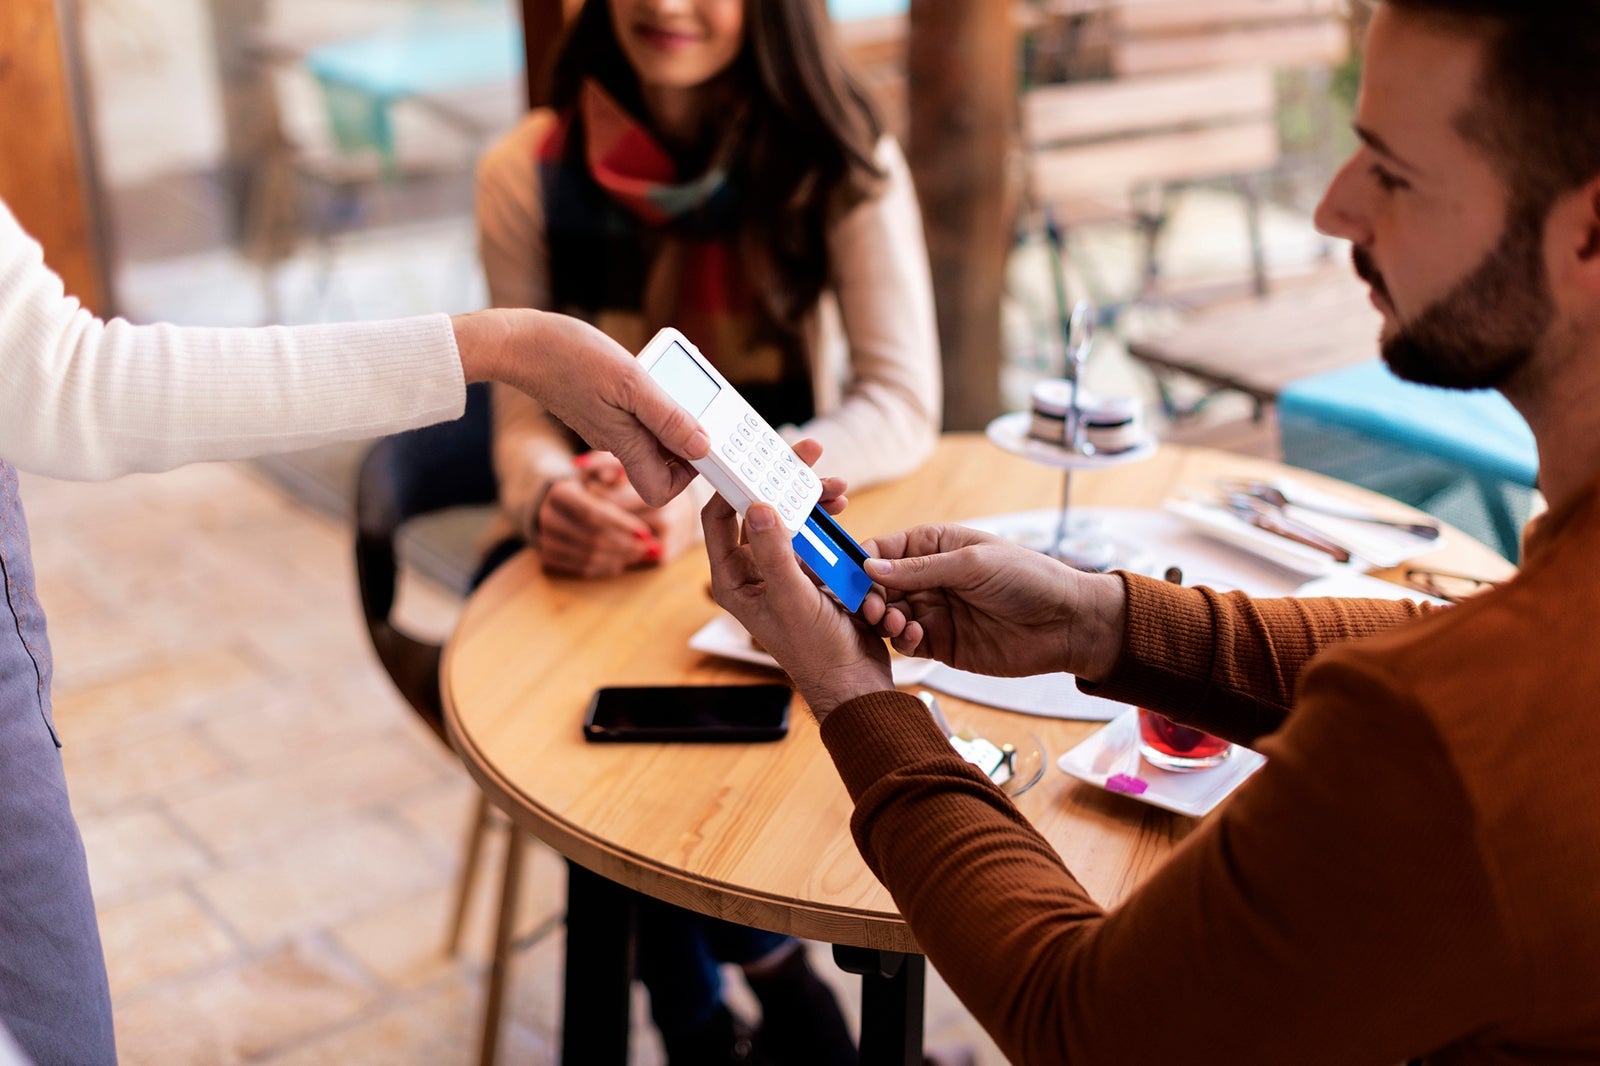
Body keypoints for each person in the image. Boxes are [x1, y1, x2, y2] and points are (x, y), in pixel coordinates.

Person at [704, 2, 1600, 1062]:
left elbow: (1086, 1027)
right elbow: (1454, 637)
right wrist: (1100, 621)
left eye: (1389, 173)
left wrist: (855, 697)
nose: (1329, 208)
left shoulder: (1442, 738)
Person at [0, 195, 710, 1066]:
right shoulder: (526, 180)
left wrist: (514, 350)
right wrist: (511, 352)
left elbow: (56, 376)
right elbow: (67, 383)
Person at [475, 0, 939, 1060]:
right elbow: (514, 429)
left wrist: (699, 498)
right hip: (586, 568)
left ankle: (705, 1012)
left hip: (751, 549)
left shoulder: (840, 157)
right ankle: (756, 998)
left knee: (623, 758)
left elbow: (899, 403)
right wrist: (549, 497)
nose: (662, 5)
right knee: (584, 740)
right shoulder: (524, 171)